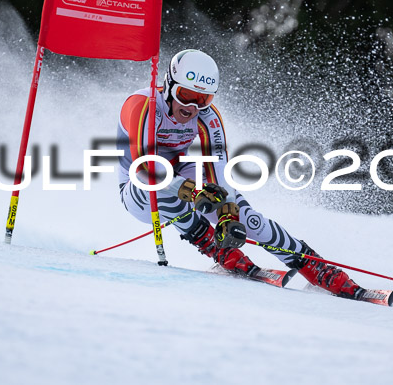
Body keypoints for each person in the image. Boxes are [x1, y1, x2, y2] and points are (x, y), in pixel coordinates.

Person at [117, 49, 364, 299]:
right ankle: (214, 247)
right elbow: (144, 167)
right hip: (138, 191)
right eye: (187, 95)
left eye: (203, 99)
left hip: (180, 173)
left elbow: (219, 170)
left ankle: (314, 266)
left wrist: (228, 214)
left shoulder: (208, 118)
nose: (193, 107)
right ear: (169, 84)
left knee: (243, 215)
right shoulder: (142, 105)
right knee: (156, 184)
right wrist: (193, 192)